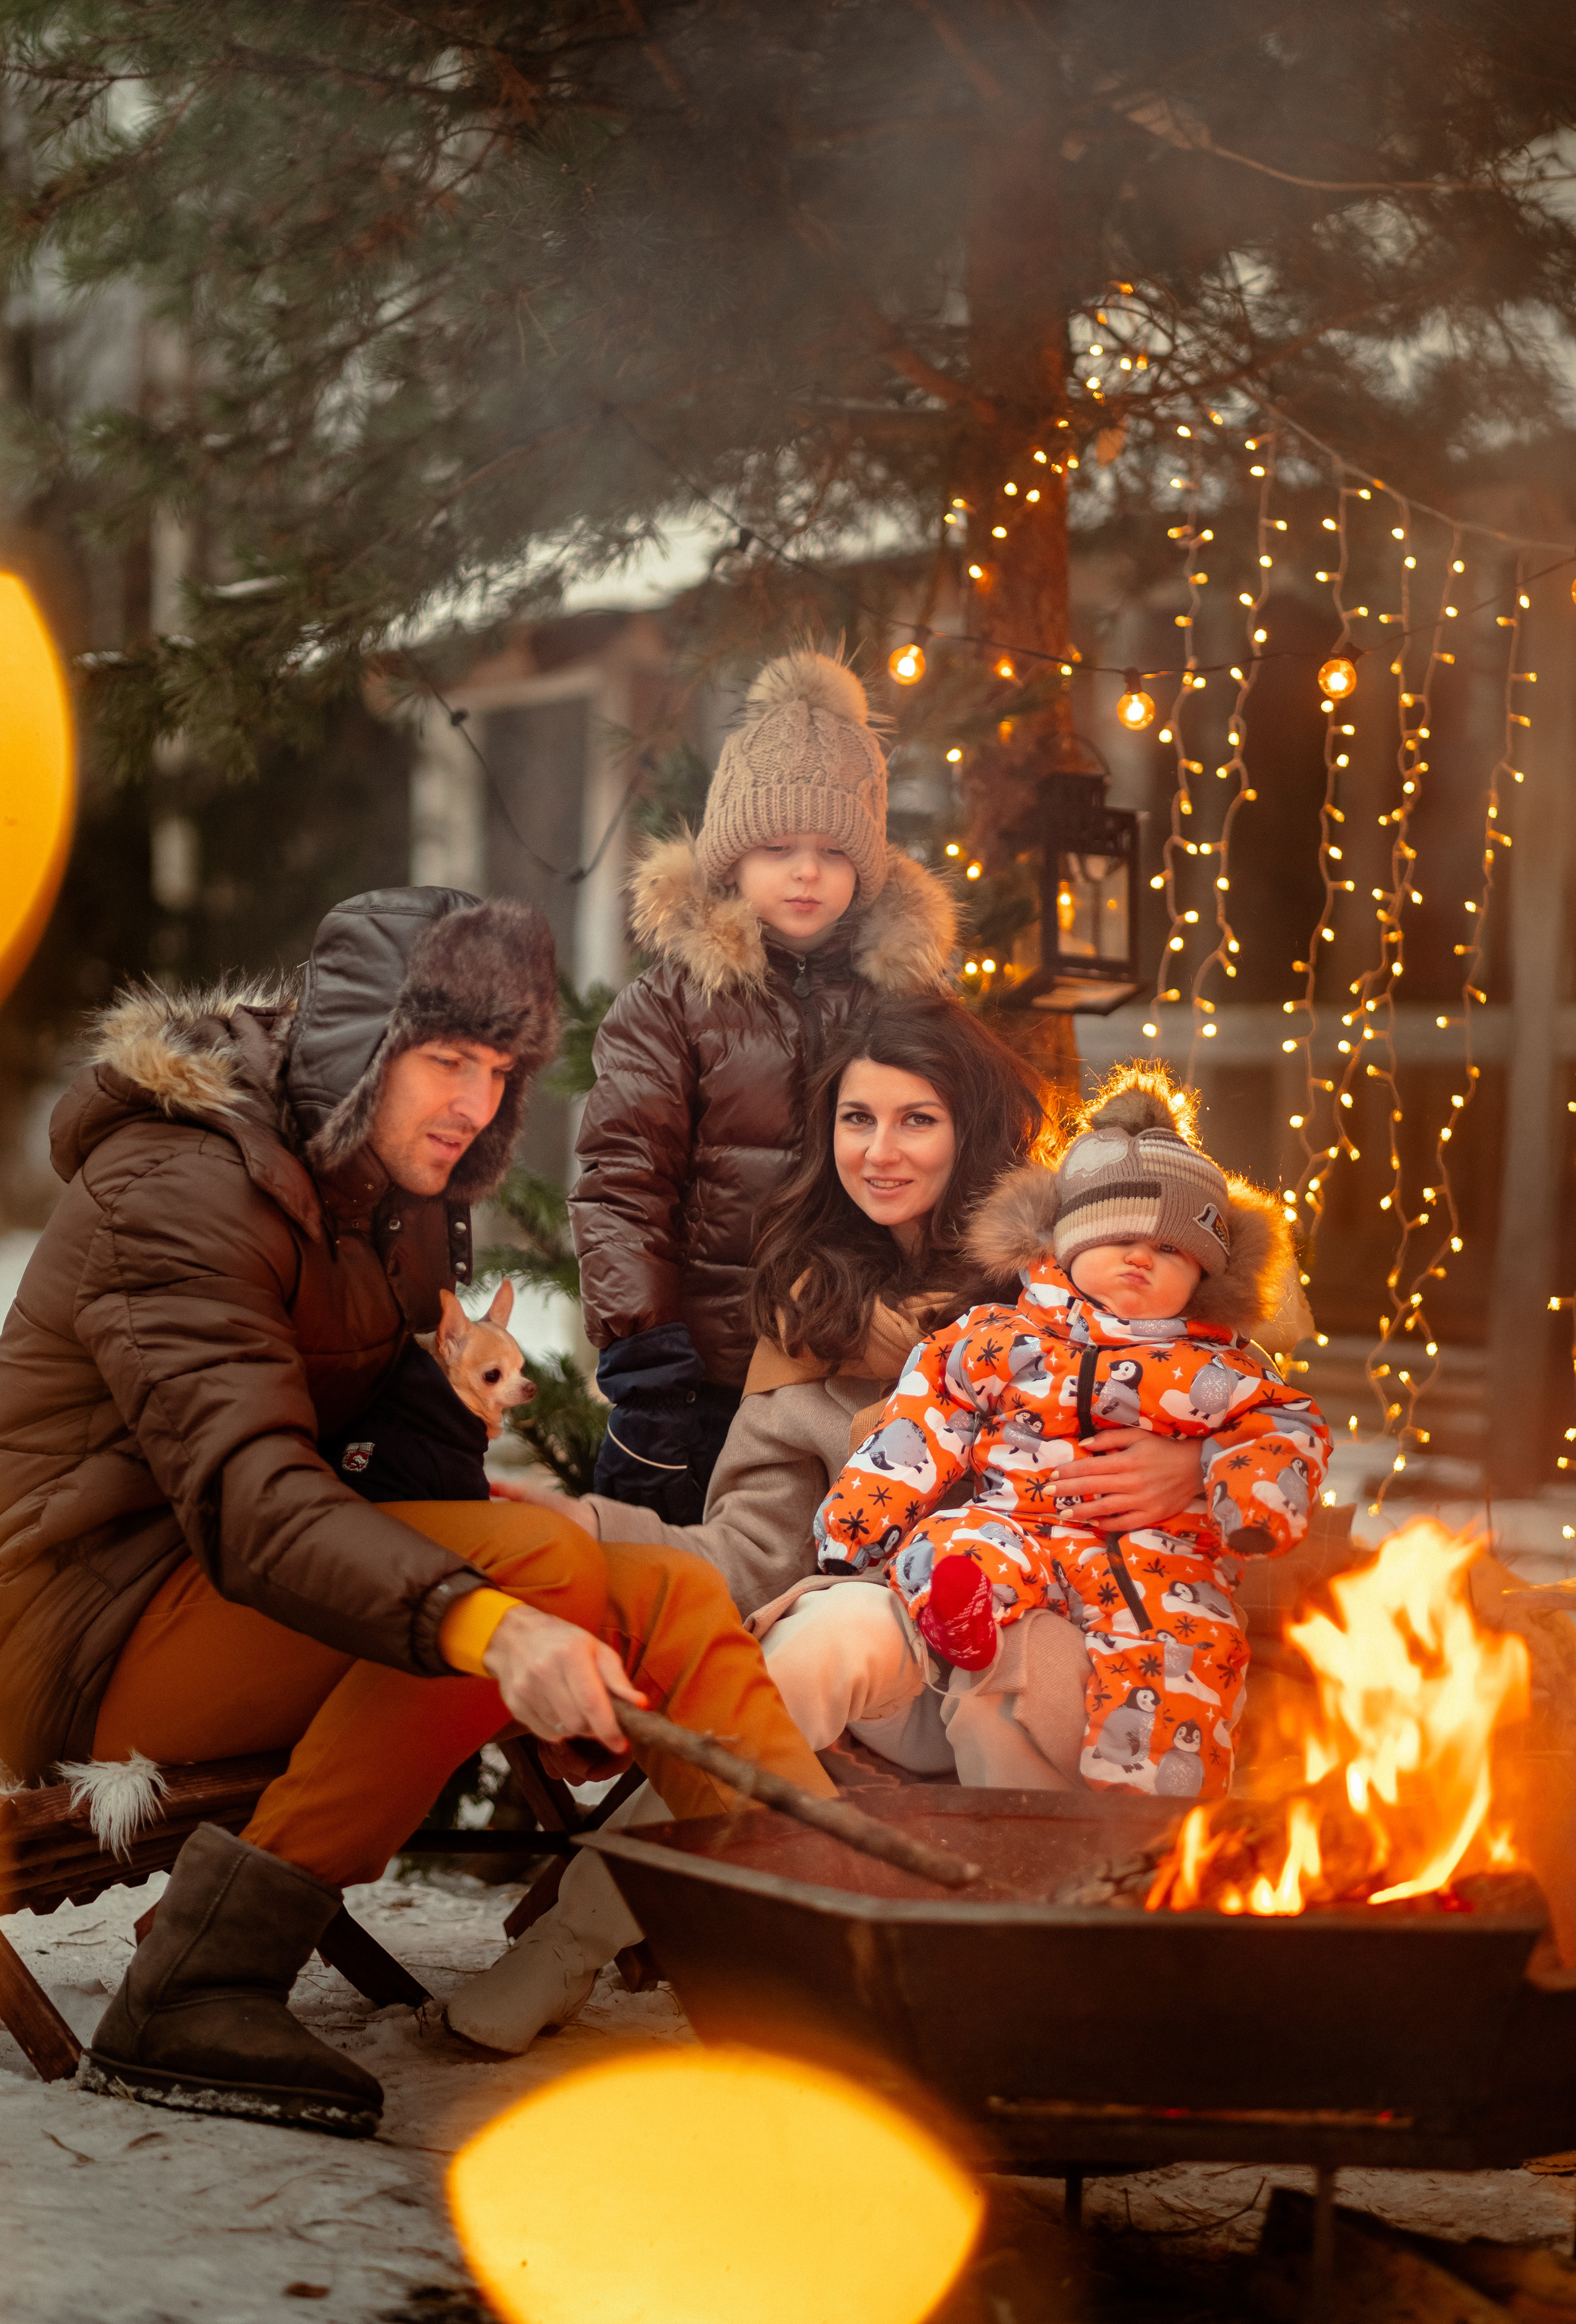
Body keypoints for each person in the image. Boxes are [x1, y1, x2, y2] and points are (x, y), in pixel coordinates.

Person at [0, 885, 833, 2138]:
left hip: (247, 1591)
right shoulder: (175, 1183)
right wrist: (498, 1634)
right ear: (355, 1051)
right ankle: (198, 1983)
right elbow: (253, 1501)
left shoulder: (393, 1189)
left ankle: (830, 1965)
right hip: (83, 1627)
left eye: (498, 1068)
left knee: (653, 1585)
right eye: (444, 1060)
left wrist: (574, 1615)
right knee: (521, 1587)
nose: (475, 1104)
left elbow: (394, 1466)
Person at [450, 1004, 1208, 2054]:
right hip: (903, 1643)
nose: (880, 1151)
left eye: (917, 1120)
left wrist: (1195, 1463)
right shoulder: (808, 1312)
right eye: (859, 1119)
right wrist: (578, 1526)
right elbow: (753, 1555)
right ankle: (565, 1950)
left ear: (973, 1131)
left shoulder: (1076, 1276)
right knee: (808, 1643)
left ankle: (1025, 1996)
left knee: (1007, 1682)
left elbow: (1233, 1386)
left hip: (1067, 1644)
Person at [816, 1079, 1333, 1802]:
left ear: (1205, 1274)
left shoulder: (1223, 1367)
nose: (1140, 1260)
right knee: (959, 1548)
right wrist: (856, 1524)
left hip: (1159, 1558)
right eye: (1118, 1238)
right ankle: (961, 1618)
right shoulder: (1000, 1336)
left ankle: (1144, 1829)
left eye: (1170, 1251)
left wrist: (1239, 1494)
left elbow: (1281, 1430)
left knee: (1182, 1659)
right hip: (1018, 1521)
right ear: (1065, 1244)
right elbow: (923, 1422)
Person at [568, 646, 956, 1523]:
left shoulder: (908, 1005)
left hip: (858, 1367)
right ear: (731, 861)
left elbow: (962, 1170)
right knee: (678, 1588)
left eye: (831, 849)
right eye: (778, 847)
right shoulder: (672, 1003)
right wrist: (648, 1369)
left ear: (867, 864)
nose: (807, 872)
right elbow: (623, 1183)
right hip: (702, 1372)